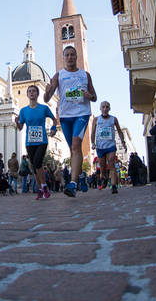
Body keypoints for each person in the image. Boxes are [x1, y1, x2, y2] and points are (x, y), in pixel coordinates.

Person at [44, 45, 97, 198]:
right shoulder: (58, 76)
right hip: (65, 117)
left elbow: (95, 96)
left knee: (75, 145)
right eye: (67, 55)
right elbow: (47, 99)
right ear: (63, 57)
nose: (69, 57)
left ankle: (73, 184)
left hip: (82, 114)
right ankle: (81, 177)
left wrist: (89, 96)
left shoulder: (85, 75)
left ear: (76, 57)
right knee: (74, 150)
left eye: (72, 54)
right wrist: (47, 92)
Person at [16, 84, 58, 199]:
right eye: (29, 91)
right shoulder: (23, 110)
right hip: (29, 142)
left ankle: (44, 186)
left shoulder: (44, 108)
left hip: (42, 140)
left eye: (34, 91)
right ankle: (40, 189)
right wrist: (16, 122)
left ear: (37, 94)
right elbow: (20, 127)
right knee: (34, 167)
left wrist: (54, 129)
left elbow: (55, 120)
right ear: (27, 94)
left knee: (38, 162)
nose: (31, 93)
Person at [91, 101, 126, 194]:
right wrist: (92, 143)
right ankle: (105, 177)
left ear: (109, 108)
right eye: (103, 107)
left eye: (107, 107)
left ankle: (114, 186)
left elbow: (119, 131)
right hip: (100, 146)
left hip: (111, 145)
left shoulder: (114, 119)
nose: (105, 109)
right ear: (100, 108)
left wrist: (123, 142)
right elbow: (93, 133)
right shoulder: (96, 119)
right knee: (102, 166)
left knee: (111, 163)